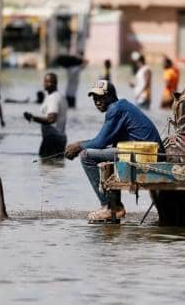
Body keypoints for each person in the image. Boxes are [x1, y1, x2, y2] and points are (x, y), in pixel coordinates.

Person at [64, 80, 163, 221]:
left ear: (111, 96)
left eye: (101, 97)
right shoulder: (121, 106)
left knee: (86, 156)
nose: (97, 102)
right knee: (105, 152)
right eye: (94, 98)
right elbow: (104, 142)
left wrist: (78, 146)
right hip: (143, 151)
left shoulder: (115, 109)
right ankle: (114, 205)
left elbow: (99, 142)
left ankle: (110, 206)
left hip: (144, 154)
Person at [23, 73, 68, 160]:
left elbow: (51, 119)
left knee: (47, 167)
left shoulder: (53, 98)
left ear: (55, 83)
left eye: (49, 82)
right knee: (53, 169)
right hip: (58, 138)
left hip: (52, 139)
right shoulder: (58, 96)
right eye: (45, 81)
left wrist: (32, 118)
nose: (45, 83)